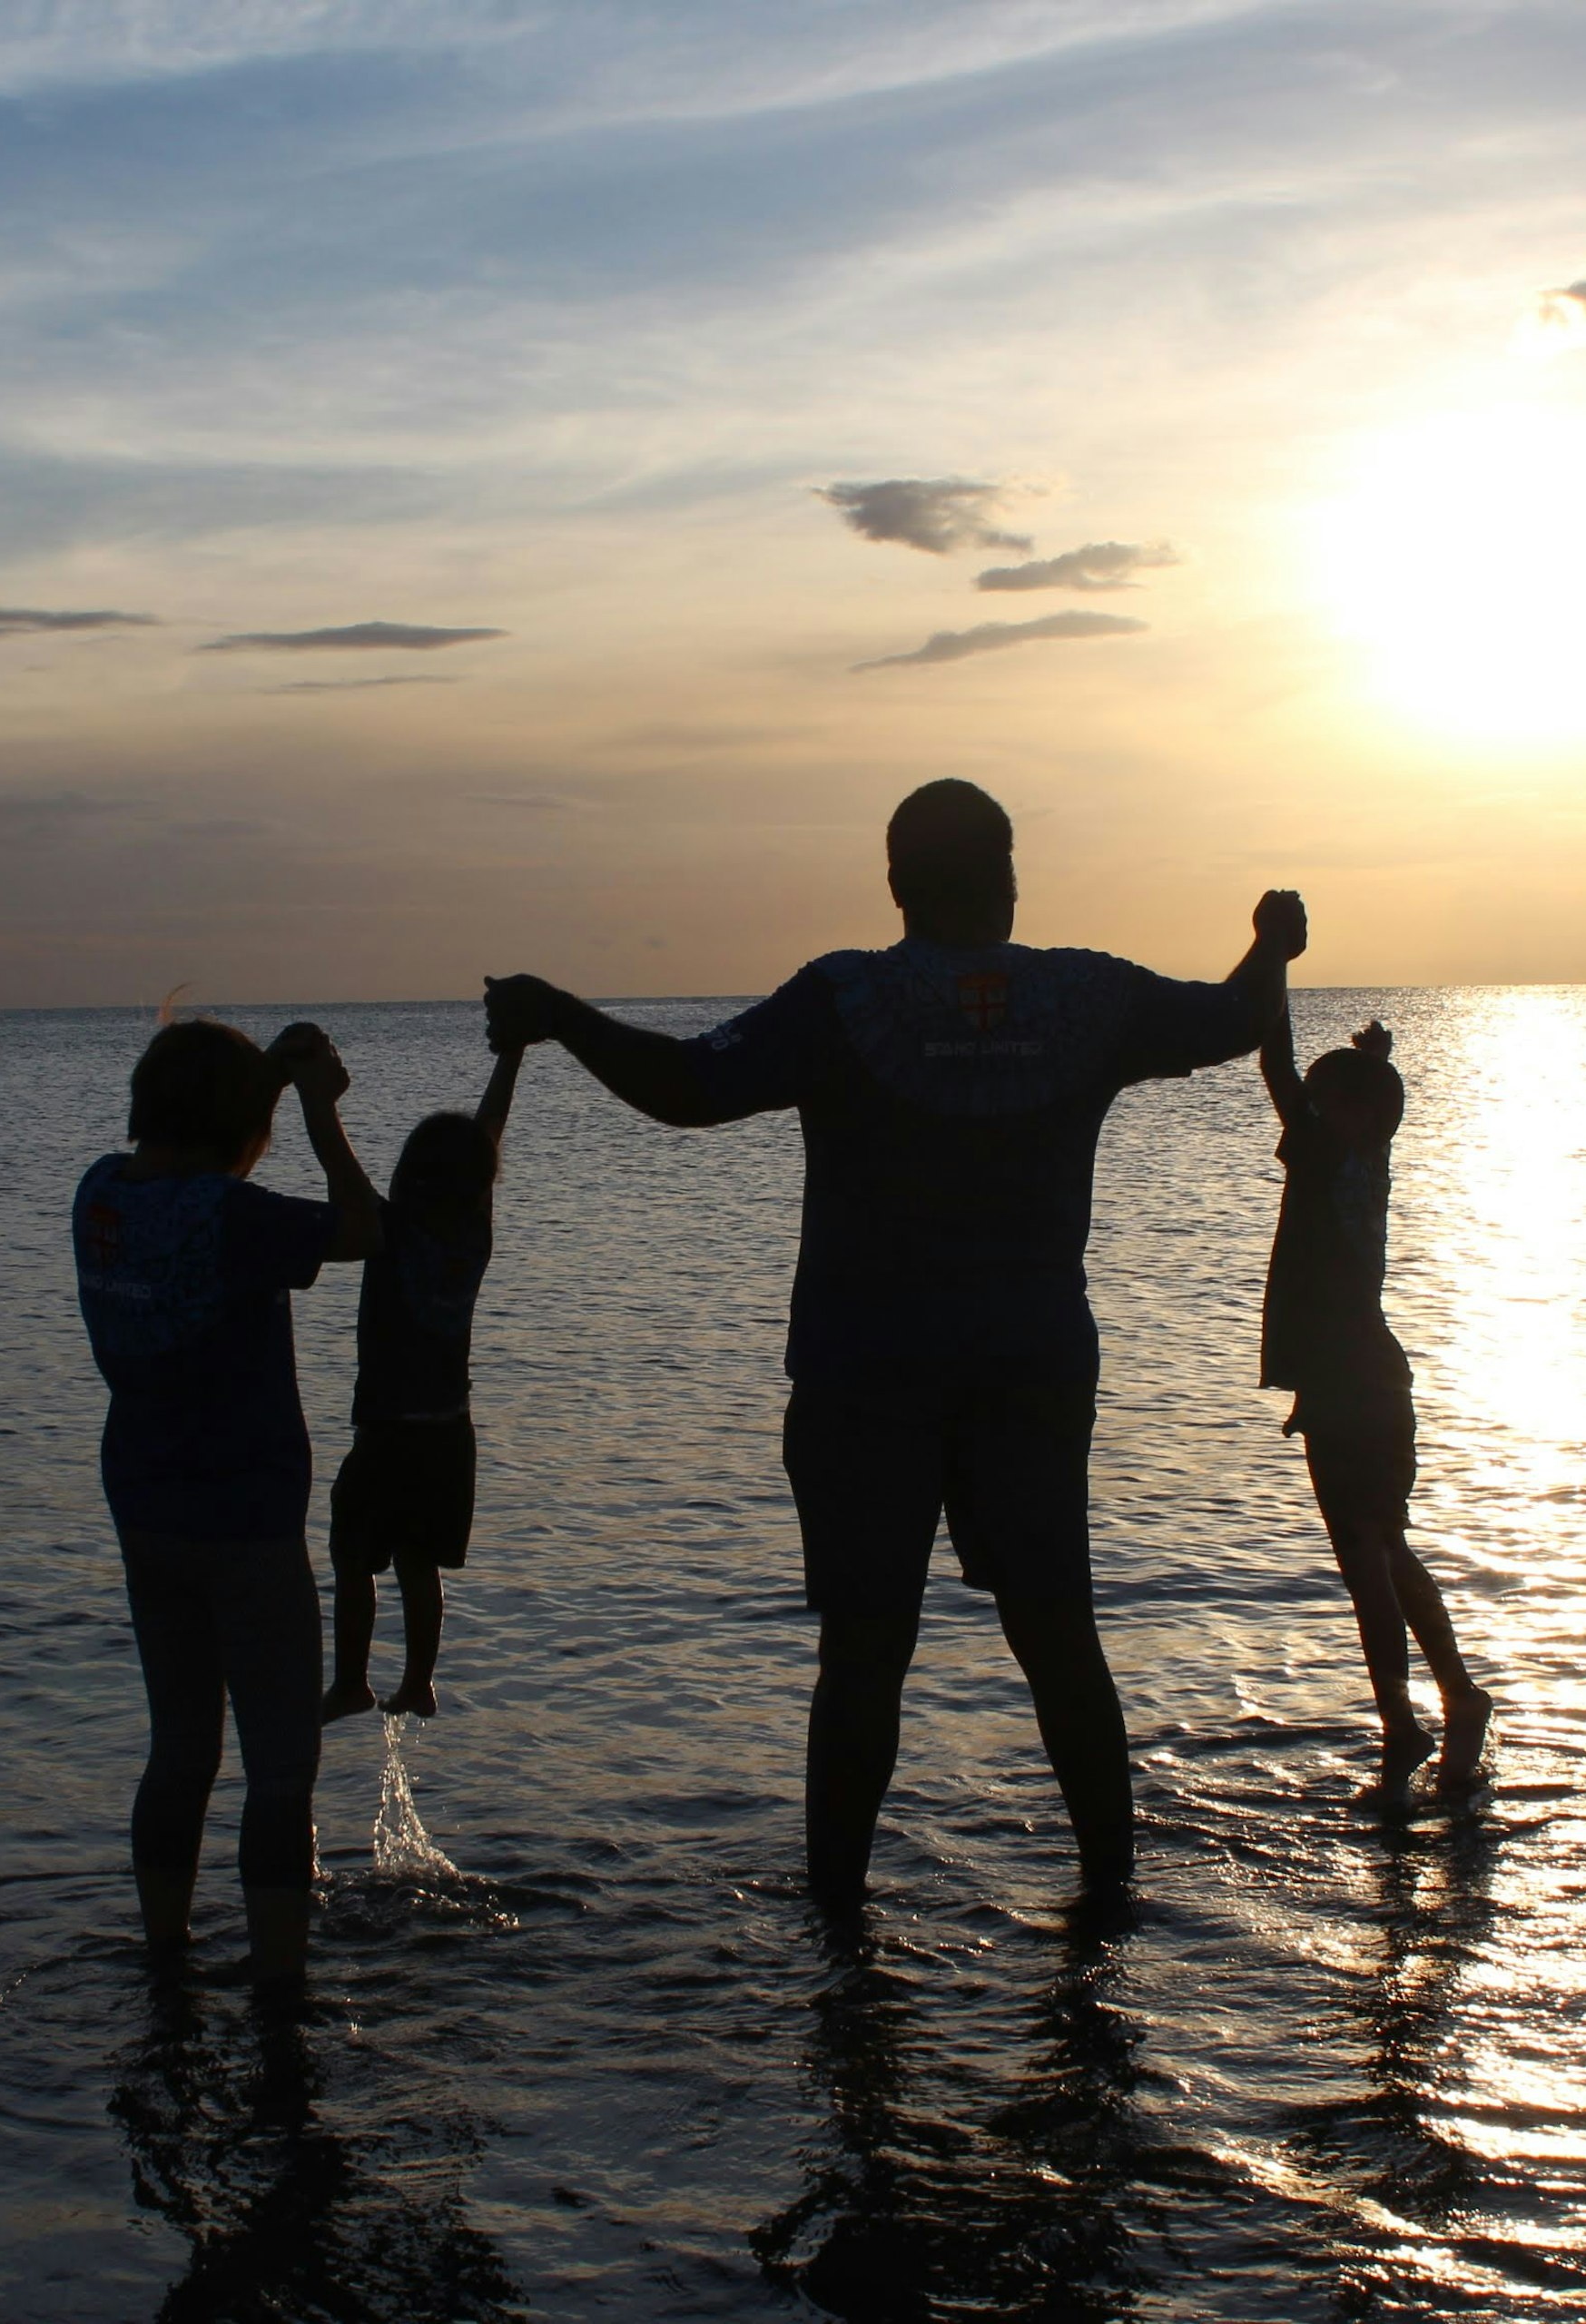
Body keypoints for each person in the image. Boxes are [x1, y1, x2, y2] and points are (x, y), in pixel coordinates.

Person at [485, 779, 1305, 1915]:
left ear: (896, 885)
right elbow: (1234, 1018)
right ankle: (1108, 1907)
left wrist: (563, 1014)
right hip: (1029, 1366)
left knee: (865, 1653)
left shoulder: (845, 1000)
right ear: (1010, 877)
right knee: (1059, 1634)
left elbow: (687, 1086)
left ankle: (839, 1927)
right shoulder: (1086, 997)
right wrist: (1272, 945)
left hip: (865, 1374)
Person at [73, 1015, 382, 1980]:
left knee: (180, 1755)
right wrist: (319, 1112)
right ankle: (281, 1995)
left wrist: (265, 1089)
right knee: (281, 1773)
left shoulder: (101, 1198)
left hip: (146, 1511)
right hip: (246, 1524)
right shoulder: (236, 1220)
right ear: (239, 1127)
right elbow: (369, 1227)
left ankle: (166, 1956)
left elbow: (199, 1175)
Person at [1258, 1010, 1492, 1793]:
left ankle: (1407, 1728)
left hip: (1359, 1387)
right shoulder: (1366, 1157)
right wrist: (1371, 1063)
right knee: (1380, 1555)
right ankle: (1455, 1703)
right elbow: (1310, 1088)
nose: (1306, 1116)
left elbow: (1278, 1070)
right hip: (1357, 1384)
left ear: (1356, 1113)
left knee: (1370, 1560)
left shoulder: (1332, 1157)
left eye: (1324, 1104)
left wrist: (1273, 962)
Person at [322, 1035, 527, 1722]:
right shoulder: (474, 1234)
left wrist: (313, 1097)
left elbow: (338, 1164)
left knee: (353, 1558)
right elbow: (488, 1130)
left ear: (409, 1175)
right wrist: (513, 1055)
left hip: (385, 1432)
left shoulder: (385, 1231)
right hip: (449, 1435)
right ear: (478, 1183)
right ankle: (418, 1682)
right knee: (418, 1564)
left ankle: (351, 1681)